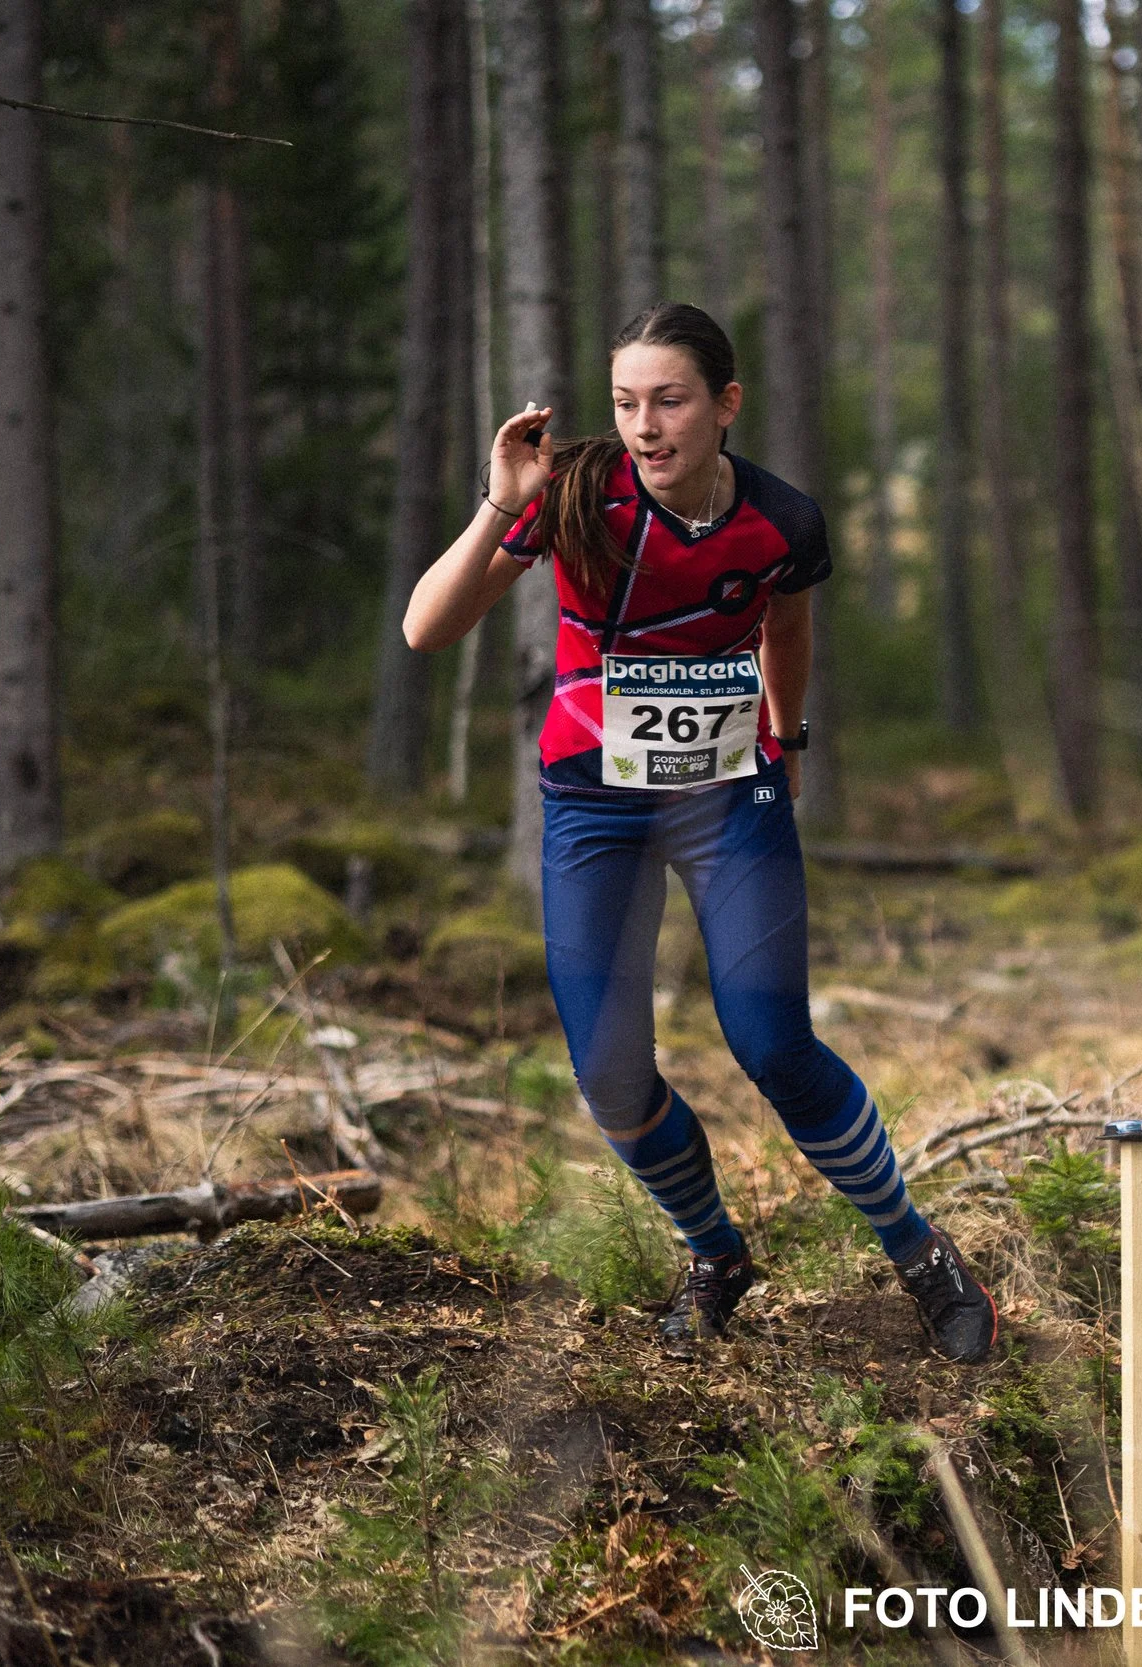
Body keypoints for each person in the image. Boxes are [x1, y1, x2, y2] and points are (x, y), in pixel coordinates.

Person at [403, 303, 996, 1362]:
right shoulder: (578, 494)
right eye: (626, 402)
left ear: (725, 404)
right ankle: (714, 1252)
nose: (645, 425)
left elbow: (787, 621)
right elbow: (428, 625)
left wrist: (790, 735)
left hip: (731, 797)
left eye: (669, 400)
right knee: (613, 1076)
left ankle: (919, 1251)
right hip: (594, 804)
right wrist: (501, 500)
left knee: (774, 1043)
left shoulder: (783, 520)